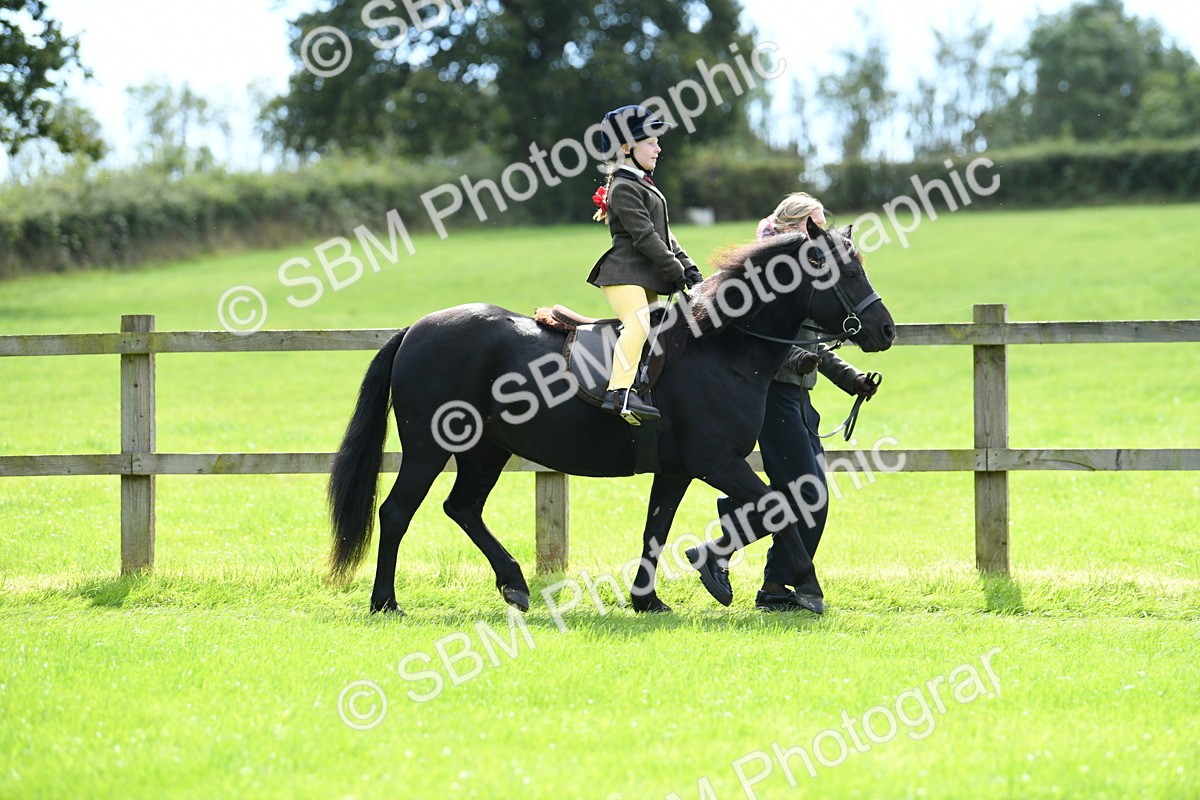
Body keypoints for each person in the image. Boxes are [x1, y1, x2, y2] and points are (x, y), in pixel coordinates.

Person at [717, 192, 880, 611]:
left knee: (809, 496)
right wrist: (797, 357)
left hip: (800, 399)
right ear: (797, 225)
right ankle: (726, 547)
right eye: (817, 223)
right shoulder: (770, 270)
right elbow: (758, 332)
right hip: (770, 396)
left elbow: (811, 343)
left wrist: (851, 380)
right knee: (808, 494)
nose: (822, 231)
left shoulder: (808, 270)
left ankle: (773, 584)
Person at [587, 104, 702, 425]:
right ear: (626, 148)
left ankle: (644, 387)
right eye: (650, 142)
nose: (658, 148)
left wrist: (688, 266)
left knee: (659, 331)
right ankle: (619, 393)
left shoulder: (641, 182)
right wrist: (675, 271)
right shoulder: (623, 186)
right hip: (623, 274)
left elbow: (665, 234)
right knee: (638, 324)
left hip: (644, 276)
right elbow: (646, 238)